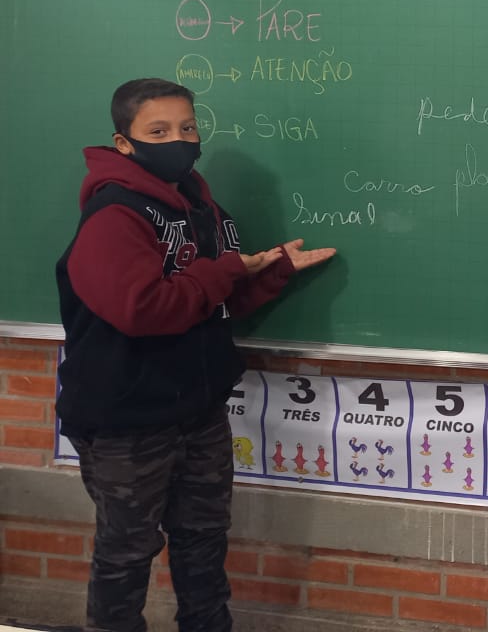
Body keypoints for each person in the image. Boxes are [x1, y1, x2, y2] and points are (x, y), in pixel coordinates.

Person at [55, 78, 337, 632]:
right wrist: (230, 269)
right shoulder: (114, 216)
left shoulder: (203, 208)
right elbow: (144, 310)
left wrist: (269, 272)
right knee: (126, 554)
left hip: (198, 412)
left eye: (187, 128)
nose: (179, 141)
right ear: (124, 143)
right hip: (126, 421)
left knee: (204, 541)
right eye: (158, 131)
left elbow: (212, 302)